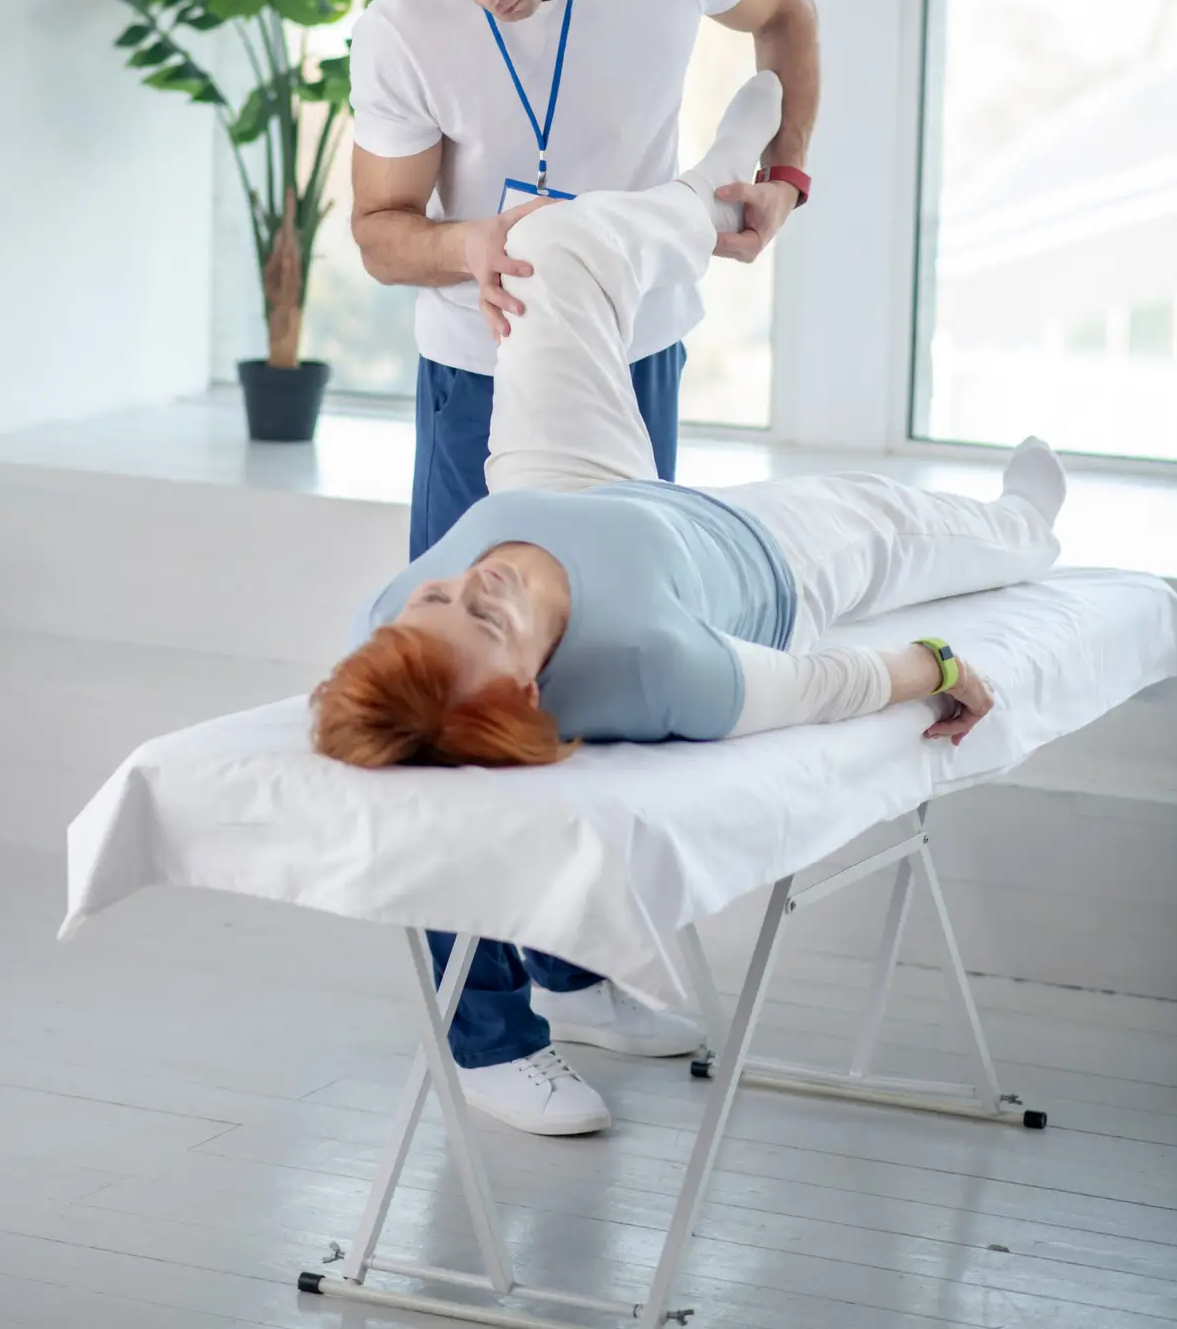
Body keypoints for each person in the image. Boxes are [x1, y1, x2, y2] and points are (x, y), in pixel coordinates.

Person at [317, 69, 1067, 1137]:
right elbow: (821, 685)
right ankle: (1027, 526)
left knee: (551, 251)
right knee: (911, 523)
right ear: (530, 685)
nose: (470, 580)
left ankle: (709, 188)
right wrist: (936, 668)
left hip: (560, 481)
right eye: (482, 615)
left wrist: (438, 621)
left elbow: (402, 658)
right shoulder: (664, 665)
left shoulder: (392, 630)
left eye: (438, 593)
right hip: (762, 559)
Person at [345, 0, 821, 1132]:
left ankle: (568, 965)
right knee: (464, 690)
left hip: (639, 350)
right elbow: (383, 230)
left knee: (604, 658)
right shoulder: (405, 26)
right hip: (475, 380)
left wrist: (786, 174)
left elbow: (789, 20)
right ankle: (482, 1028)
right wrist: (473, 243)